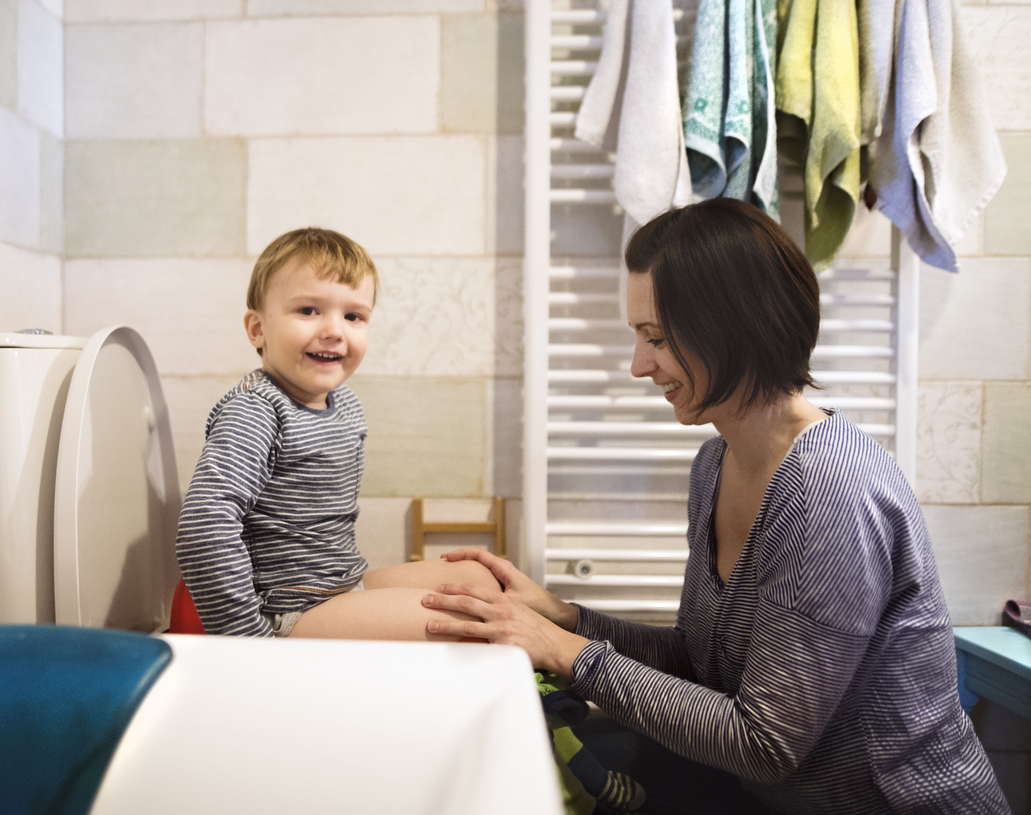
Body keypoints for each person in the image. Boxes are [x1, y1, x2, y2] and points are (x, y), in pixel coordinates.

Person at [422, 199, 1010, 813]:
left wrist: (566, 653)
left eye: (657, 339)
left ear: (732, 327)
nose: (638, 366)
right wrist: (565, 618)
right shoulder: (717, 464)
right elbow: (704, 666)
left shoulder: (829, 491)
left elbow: (765, 742)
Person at [176, 227, 497, 640]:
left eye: (353, 316)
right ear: (257, 329)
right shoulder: (256, 411)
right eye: (309, 310)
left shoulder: (345, 405)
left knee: (479, 580)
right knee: (469, 622)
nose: (334, 330)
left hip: (340, 584)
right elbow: (205, 522)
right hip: (283, 608)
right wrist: (247, 641)